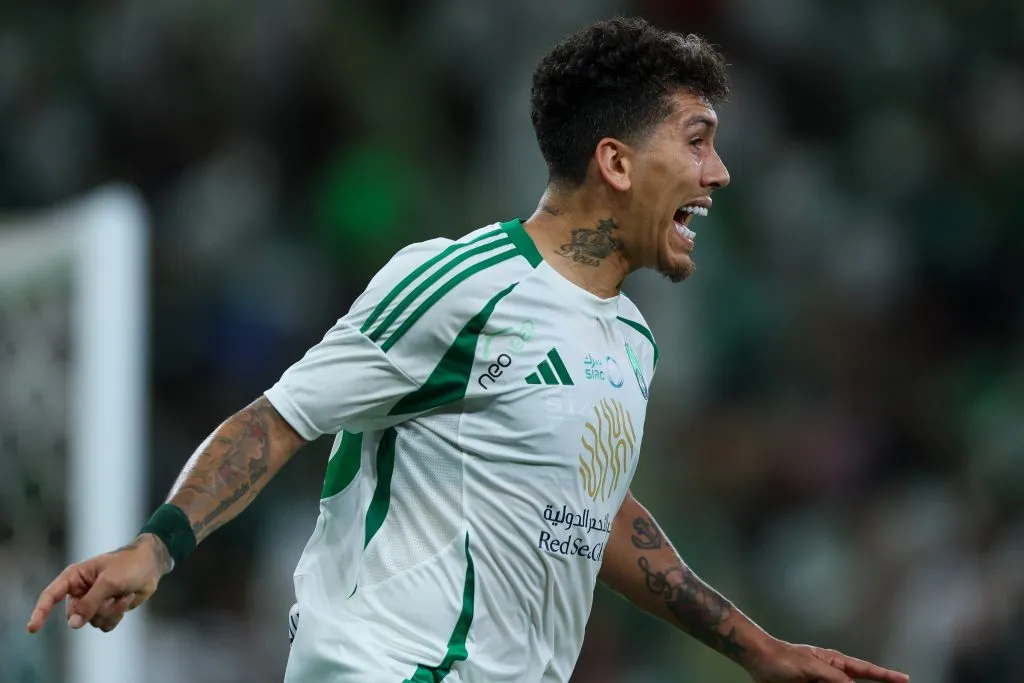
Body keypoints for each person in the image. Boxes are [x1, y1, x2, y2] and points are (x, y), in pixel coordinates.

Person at [27, 17, 910, 683]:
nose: (718, 172)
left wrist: (761, 650)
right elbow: (282, 418)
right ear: (616, 161)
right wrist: (156, 546)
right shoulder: (458, 285)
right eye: (697, 141)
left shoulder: (631, 341)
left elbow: (590, 509)